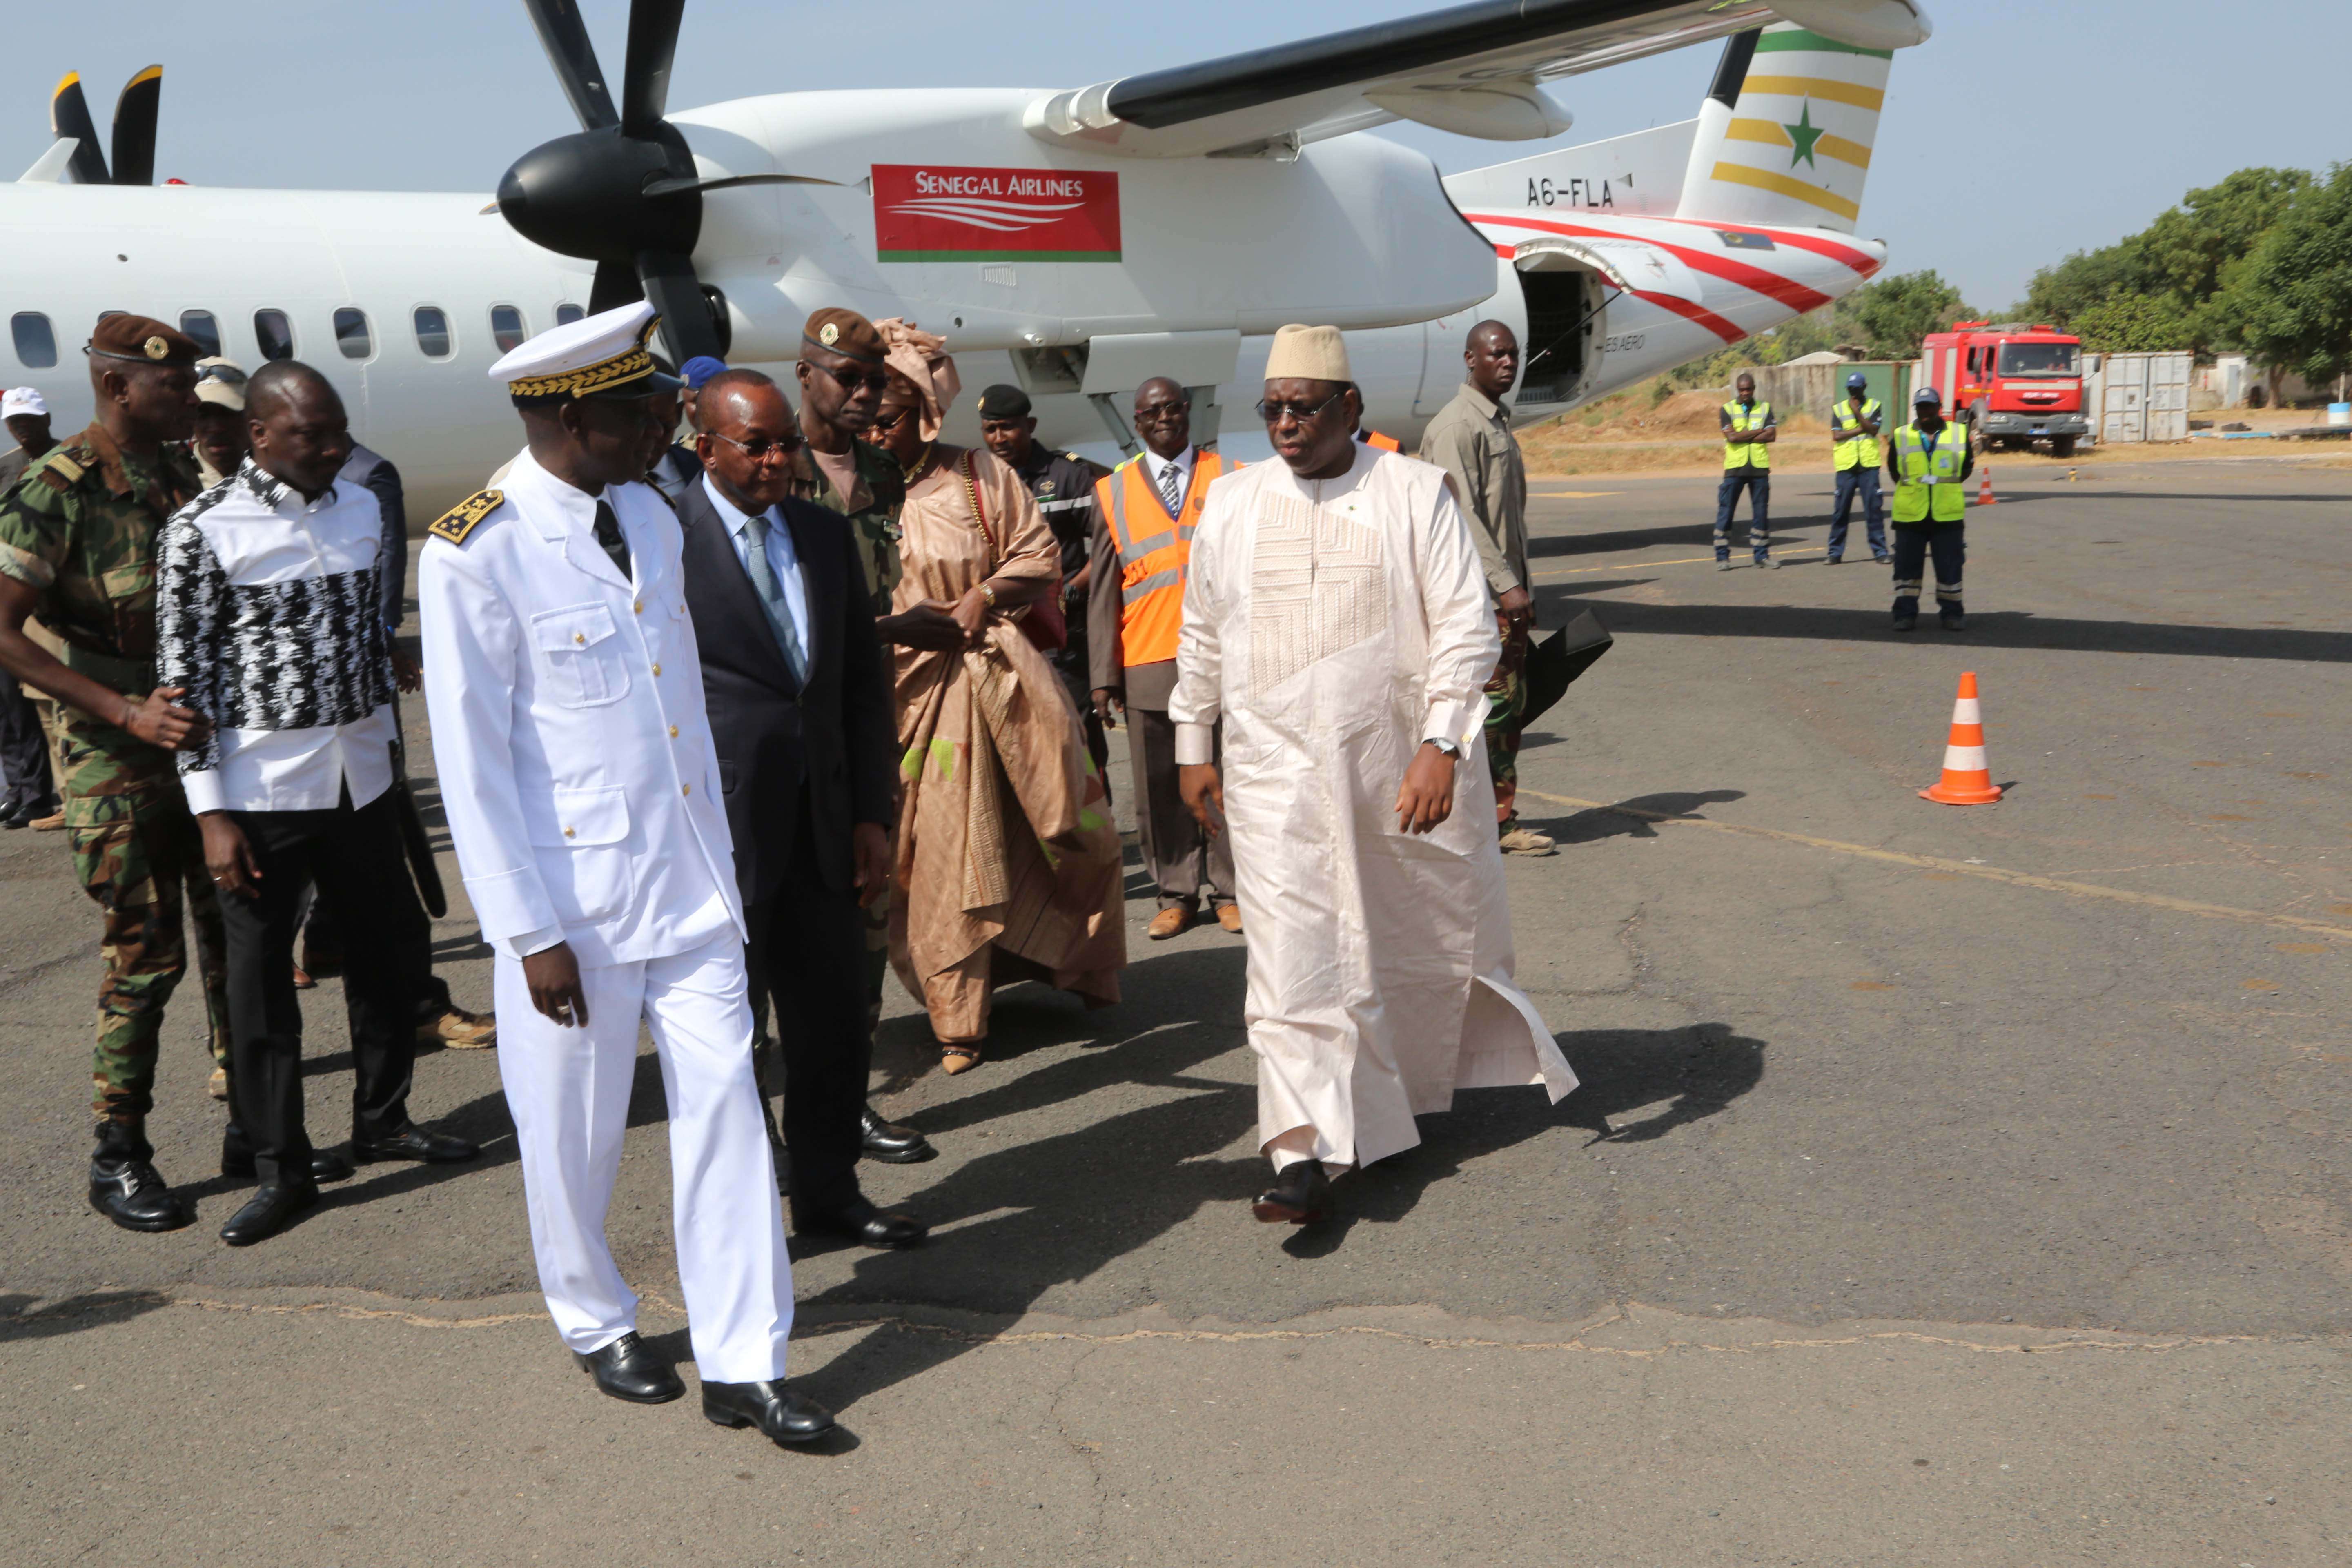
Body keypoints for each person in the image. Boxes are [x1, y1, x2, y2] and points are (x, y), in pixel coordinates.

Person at [419, 300, 830, 1445]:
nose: (667, 424)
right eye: (641, 409)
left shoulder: (649, 517)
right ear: (565, 415)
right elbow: (475, 761)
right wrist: (524, 930)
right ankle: (597, 1317)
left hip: (692, 888)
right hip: (573, 908)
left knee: (730, 1112)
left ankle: (748, 1361)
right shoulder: (474, 548)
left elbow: (680, 714)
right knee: (573, 1135)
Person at [1171, 324, 1576, 1227]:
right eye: (1271, 408)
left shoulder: (1412, 491)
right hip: (1271, 773)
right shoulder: (1232, 504)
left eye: (1303, 408)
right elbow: (1201, 633)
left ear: (1350, 408)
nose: (1284, 424)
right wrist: (1193, 748)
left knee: (1388, 946)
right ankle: (1300, 1153)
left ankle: (1383, 1121)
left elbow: (1467, 626)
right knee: (1287, 963)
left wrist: (1440, 744)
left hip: (1389, 773)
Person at [156, 361, 480, 1245]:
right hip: (261, 792)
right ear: (258, 435)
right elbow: (180, 686)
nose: (335, 448)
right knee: (263, 987)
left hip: (364, 777)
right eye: (313, 434)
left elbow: (365, 635)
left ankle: (383, 1121)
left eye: (338, 430)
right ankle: (280, 1167)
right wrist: (212, 814)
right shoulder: (201, 531)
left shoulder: (361, 509)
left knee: (387, 954)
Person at [675, 367, 927, 1247]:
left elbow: (860, 687)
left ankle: (828, 1193)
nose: (781, 459)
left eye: (786, 441)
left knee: (831, 1033)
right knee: (729, 1044)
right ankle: (742, 1219)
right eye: (758, 445)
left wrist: (872, 814)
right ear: (704, 447)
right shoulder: (663, 540)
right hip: (721, 839)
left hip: (825, 830)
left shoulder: (821, 536)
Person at [0, 314, 234, 1231]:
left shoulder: (179, 476)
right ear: (117, 389)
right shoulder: (54, 490)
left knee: (232, 930)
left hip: (197, 736)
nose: (188, 400)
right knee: (146, 953)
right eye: (172, 388)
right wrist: (121, 711)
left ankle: (253, 1127)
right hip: (113, 746)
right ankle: (118, 1154)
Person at [865, 320, 1125, 1073]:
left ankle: (1073, 965)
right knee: (932, 858)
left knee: (1061, 827)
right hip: (906, 704)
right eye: (870, 419)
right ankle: (958, 1017)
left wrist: (982, 594)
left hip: (1002, 690)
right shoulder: (844, 492)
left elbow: (1039, 554)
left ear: (925, 414)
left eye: (894, 418)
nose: (881, 432)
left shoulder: (978, 476)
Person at [794, 307, 950, 1152]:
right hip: (787, 736)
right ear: (805, 377)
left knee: (864, 914)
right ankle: (761, 1120)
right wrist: (897, 631)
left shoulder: (884, 477)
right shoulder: (765, 468)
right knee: (769, 942)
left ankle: (849, 1103)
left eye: (875, 382)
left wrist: (921, 356)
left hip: (865, 729)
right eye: (846, 379)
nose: (864, 396)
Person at [1086, 377, 1238, 940]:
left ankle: (1229, 890)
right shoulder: (1113, 491)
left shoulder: (1229, 478)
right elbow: (1103, 590)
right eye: (1153, 411)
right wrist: (1104, 676)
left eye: (1175, 407)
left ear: (1189, 414)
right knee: (1158, 788)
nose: (1166, 418)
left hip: (1220, 660)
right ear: (1138, 422)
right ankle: (1176, 892)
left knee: (1223, 778)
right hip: (1147, 658)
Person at [1417, 321, 1552, 858]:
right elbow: (1464, 517)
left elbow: (1506, 523)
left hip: (1503, 598)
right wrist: (1507, 588)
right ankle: (1476, 824)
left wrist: (1522, 588)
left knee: (1505, 712)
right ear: (1469, 359)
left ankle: (1496, 818)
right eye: (1497, 354)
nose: (1508, 363)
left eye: (1514, 355)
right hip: (1476, 602)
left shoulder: (1495, 423)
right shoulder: (1457, 427)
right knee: (1482, 715)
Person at [980, 382, 1111, 792]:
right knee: (1020, 743)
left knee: (1076, 736)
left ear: (1030, 425)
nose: (999, 438)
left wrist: (1073, 589)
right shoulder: (980, 481)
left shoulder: (1067, 475)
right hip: (1005, 638)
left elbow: (1111, 545)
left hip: (1063, 639)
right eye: (991, 429)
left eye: (1008, 428)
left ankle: (1097, 837)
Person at [0, 388, 60, 829]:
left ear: (46, 418)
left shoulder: (68, 463)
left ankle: (41, 794)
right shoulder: (4, 467)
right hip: (7, 593)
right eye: (15, 421)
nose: (23, 428)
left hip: (43, 600)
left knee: (38, 701)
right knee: (5, 704)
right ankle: (19, 789)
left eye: (30, 419)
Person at [1885, 385, 1973, 633]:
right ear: (1916, 409)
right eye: (1921, 407)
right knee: (1906, 570)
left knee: (1950, 568)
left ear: (1939, 408)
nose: (1925, 412)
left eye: (1930, 407)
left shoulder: (1958, 433)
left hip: (1947, 515)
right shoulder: (1901, 436)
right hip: (1910, 515)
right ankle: (1905, 615)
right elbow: (1894, 470)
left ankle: (1952, 615)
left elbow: (1966, 469)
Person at [1824, 371, 1889, 566]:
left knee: (1874, 510)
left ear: (1864, 388)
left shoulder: (1875, 406)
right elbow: (1837, 436)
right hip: (1847, 467)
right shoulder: (1838, 409)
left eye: (1857, 389)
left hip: (1869, 466)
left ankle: (1880, 551)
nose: (1853, 393)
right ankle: (1835, 553)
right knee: (1841, 511)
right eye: (1850, 389)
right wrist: (1862, 427)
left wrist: (1857, 413)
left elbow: (1875, 430)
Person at [1715, 372, 1777, 570]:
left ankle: (1762, 556)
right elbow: (1732, 439)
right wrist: (1760, 431)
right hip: (1735, 469)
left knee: (1761, 513)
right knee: (1726, 512)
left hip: (1759, 469)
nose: (1745, 393)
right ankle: (1723, 557)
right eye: (1742, 390)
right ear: (1737, 390)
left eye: (1748, 389)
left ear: (1754, 389)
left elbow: (1772, 436)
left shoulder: (1765, 408)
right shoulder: (1727, 410)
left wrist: (1743, 435)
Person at [190, 358, 250, 487]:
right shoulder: (174, 481)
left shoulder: (280, 476)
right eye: (203, 415)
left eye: (227, 413)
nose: (216, 428)